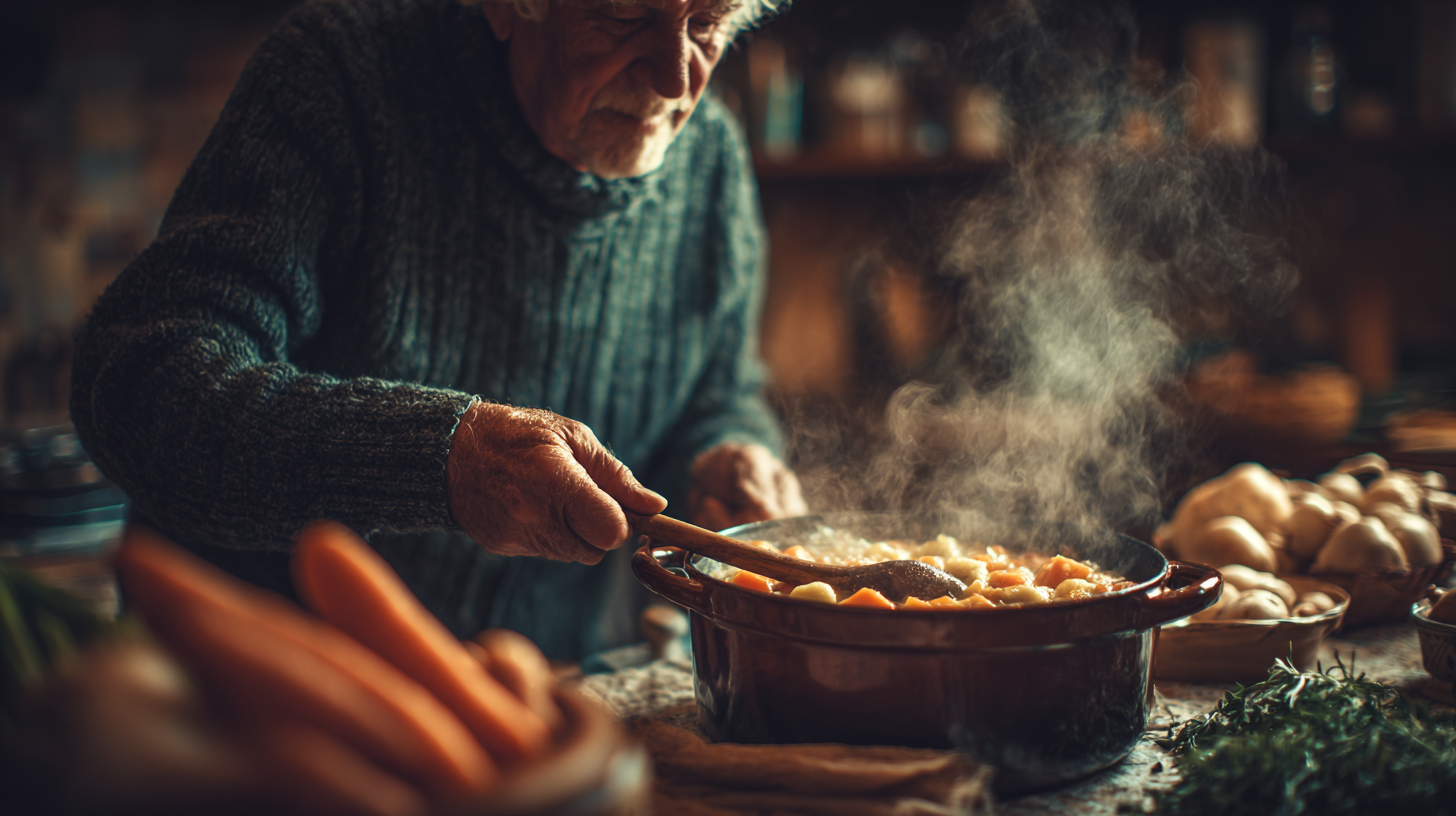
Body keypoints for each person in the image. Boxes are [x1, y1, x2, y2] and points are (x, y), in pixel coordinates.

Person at [69, 0, 806, 661]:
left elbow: (716, 392)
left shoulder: (711, 157)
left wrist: (727, 452)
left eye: (708, 23)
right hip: (257, 691)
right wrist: (439, 459)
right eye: (623, 16)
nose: (675, 79)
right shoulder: (343, 76)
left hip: (533, 699)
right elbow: (142, 380)